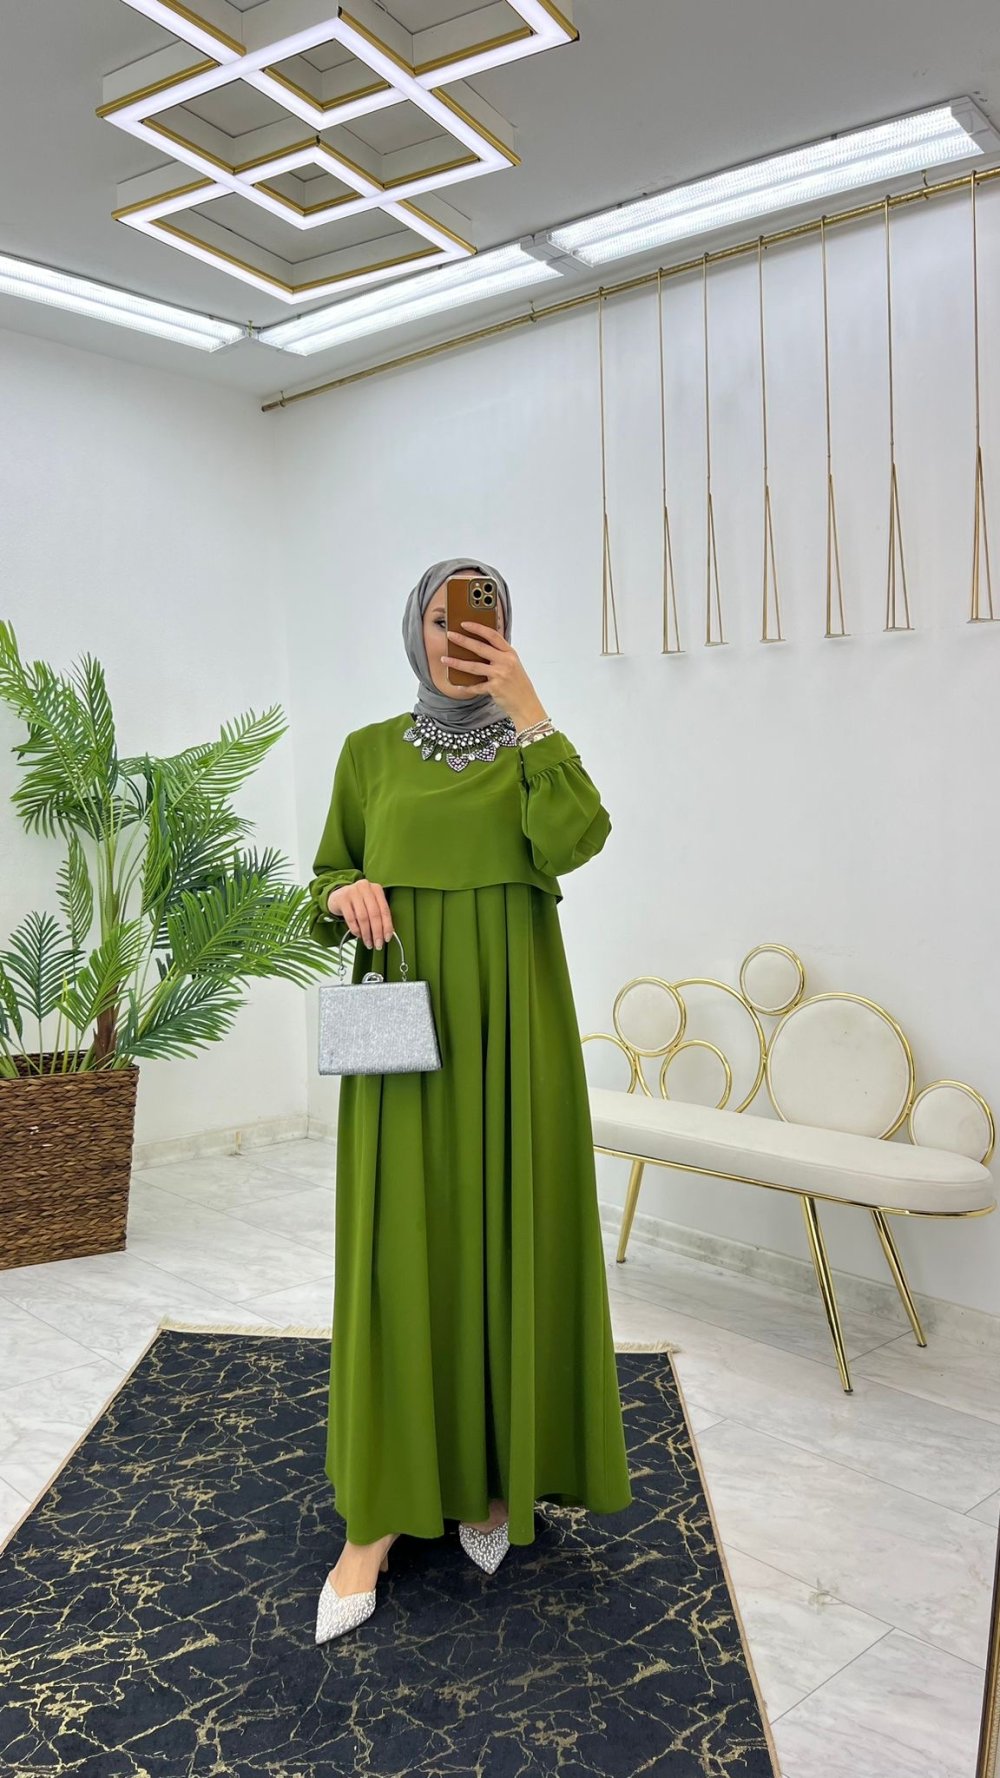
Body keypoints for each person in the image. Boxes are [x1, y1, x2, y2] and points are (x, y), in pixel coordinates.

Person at [307, 557, 633, 1644]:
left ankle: (495, 1477)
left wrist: (530, 710)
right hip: (405, 1023)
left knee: (508, 1228)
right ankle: (375, 1518)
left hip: (514, 1024)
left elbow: (577, 839)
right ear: (416, 628)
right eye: (444, 618)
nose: (461, 636)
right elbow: (325, 874)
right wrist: (345, 891)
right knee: (401, 1245)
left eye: (480, 616)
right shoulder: (367, 752)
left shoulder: (535, 752)